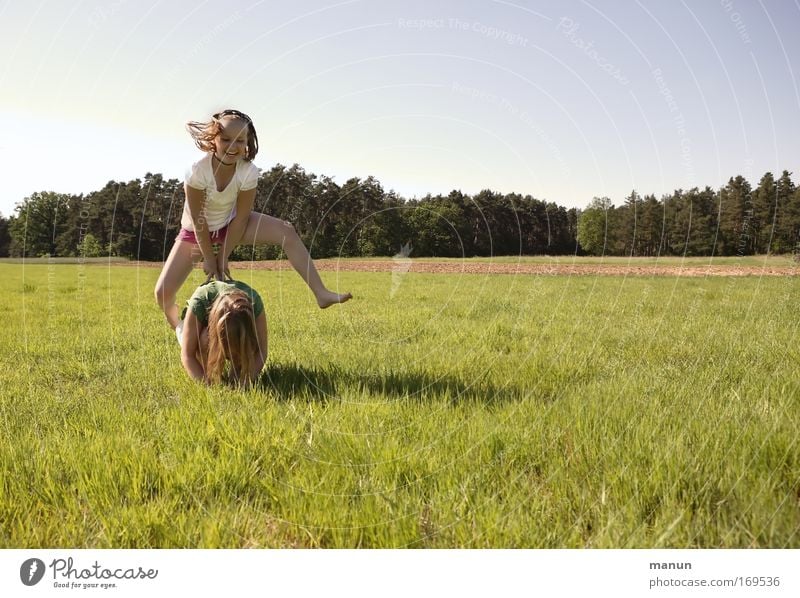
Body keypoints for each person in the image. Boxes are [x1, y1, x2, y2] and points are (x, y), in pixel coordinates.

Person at [155, 108, 352, 331]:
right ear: (213, 139)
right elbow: (199, 220)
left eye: (240, 140)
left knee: (287, 231)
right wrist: (210, 258)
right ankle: (181, 329)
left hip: (231, 225)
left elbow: (241, 218)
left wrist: (224, 257)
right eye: (226, 139)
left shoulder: (248, 172)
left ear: (248, 142)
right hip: (196, 232)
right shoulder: (197, 172)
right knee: (162, 293)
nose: (233, 146)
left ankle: (321, 293)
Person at [180, 277, 268, 388]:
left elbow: (262, 351)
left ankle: (236, 368)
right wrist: (207, 385)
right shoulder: (199, 302)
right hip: (195, 328)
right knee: (204, 339)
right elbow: (187, 355)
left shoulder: (255, 303)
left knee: (238, 373)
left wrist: (246, 380)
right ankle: (210, 372)